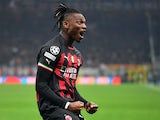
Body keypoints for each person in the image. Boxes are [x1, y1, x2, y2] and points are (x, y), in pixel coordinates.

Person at [35, 3, 98, 120]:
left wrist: (85, 104)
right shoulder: (52, 50)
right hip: (52, 108)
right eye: (80, 22)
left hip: (69, 108)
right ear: (66, 24)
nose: (84, 26)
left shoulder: (77, 55)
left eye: (84, 23)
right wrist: (67, 105)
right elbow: (41, 85)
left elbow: (70, 87)